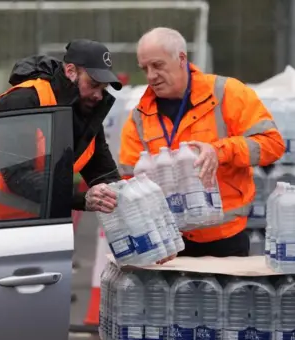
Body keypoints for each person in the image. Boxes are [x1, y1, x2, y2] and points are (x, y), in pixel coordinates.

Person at [119, 27, 285, 257]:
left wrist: (220, 152)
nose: (150, 76)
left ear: (181, 59)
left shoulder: (227, 93)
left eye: (157, 65)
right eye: (144, 68)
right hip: (171, 245)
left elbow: (272, 144)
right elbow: (129, 181)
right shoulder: (139, 117)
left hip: (227, 240)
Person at [0, 39, 124, 223]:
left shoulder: (86, 111)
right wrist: (81, 200)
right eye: (94, 84)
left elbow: (103, 173)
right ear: (70, 71)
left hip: (25, 224)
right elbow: (19, 176)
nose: (98, 95)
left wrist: (126, 195)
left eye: (104, 88)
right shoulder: (24, 101)